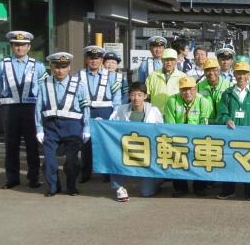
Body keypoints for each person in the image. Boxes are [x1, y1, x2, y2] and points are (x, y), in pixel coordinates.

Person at [0, 30, 47, 189]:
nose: (19, 48)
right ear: (11, 46)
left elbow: (43, 88)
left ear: (29, 47)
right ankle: (12, 179)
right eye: (16, 45)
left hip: (31, 108)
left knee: (32, 144)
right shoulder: (2, 64)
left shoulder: (37, 65)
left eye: (23, 45)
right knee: (11, 144)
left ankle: (33, 178)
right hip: (10, 108)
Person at [35, 53, 90, 197]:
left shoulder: (79, 84)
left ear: (69, 67)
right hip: (51, 127)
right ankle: (53, 187)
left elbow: (85, 108)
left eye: (64, 67)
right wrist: (39, 129)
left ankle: (71, 187)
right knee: (48, 162)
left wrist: (87, 128)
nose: (60, 70)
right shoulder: (44, 84)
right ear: (52, 67)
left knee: (72, 161)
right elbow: (38, 108)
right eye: (57, 67)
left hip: (73, 127)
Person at [215, 60, 250, 201]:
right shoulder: (227, 93)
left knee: (249, 162)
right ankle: (228, 190)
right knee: (230, 161)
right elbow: (221, 113)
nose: (241, 76)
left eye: (244, 73)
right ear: (234, 74)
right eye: (238, 73)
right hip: (231, 135)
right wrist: (226, 119)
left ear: (248, 74)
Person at [108, 81, 163, 202]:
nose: (136, 98)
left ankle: (157, 181)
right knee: (114, 157)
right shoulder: (121, 110)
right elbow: (110, 126)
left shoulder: (154, 111)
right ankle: (118, 187)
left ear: (145, 96)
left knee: (147, 192)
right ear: (129, 96)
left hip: (147, 152)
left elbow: (160, 131)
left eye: (139, 95)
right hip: (126, 149)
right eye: (133, 95)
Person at [78, 45, 122, 183]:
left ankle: (107, 173)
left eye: (96, 58)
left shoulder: (112, 75)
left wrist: (115, 113)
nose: (93, 61)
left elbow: (117, 97)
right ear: (86, 59)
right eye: (91, 58)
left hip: (106, 111)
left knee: (106, 142)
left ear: (101, 60)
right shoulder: (79, 75)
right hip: (87, 110)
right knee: (86, 142)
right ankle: (85, 172)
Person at [164, 75, 213, 197]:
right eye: (184, 89)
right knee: (176, 157)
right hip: (178, 137)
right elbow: (170, 125)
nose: (187, 92)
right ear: (179, 90)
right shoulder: (172, 101)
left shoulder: (203, 101)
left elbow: (204, 124)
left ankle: (200, 187)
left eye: (191, 89)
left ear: (195, 89)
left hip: (198, 138)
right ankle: (181, 188)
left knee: (201, 157)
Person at [145, 48, 186, 113]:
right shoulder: (153, 75)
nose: (169, 63)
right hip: (156, 113)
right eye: (166, 60)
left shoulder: (183, 76)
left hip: (175, 114)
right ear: (162, 60)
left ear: (176, 61)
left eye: (172, 60)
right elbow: (146, 95)